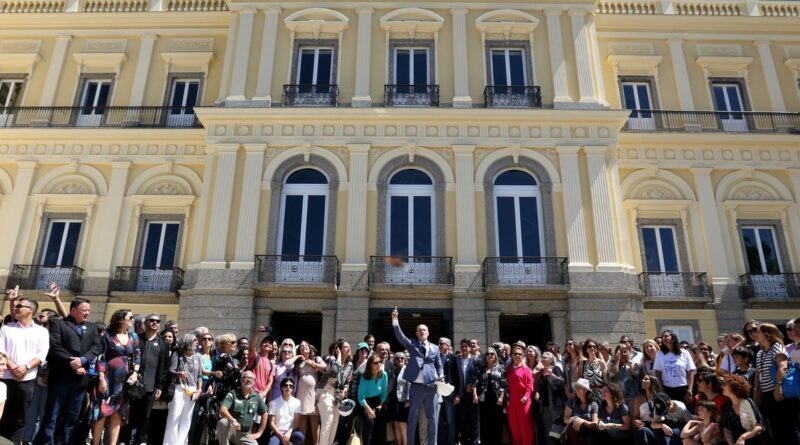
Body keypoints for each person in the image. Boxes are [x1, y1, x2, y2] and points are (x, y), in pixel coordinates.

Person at [34, 296, 99, 445]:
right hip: (60, 378)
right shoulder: (59, 324)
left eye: (89, 310)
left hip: (79, 381)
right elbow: (55, 347)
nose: (87, 313)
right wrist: (72, 362)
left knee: (72, 416)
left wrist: (83, 361)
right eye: (84, 310)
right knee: (52, 414)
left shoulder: (92, 327)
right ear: (74, 310)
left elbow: (95, 348)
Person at [0, 292, 50, 444]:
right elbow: (1, 350)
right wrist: (13, 366)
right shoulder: (7, 329)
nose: (16, 308)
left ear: (30, 310)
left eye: (20, 306)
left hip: (27, 380)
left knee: (19, 418)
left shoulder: (41, 331)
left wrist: (26, 367)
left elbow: (42, 353)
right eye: (15, 306)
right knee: (2, 415)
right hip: (5, 378)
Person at [391, 306, 442, 445]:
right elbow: (400, 336)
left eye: (424, 329)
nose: (421, 331)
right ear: (416, 333)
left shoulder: (435, 348)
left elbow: (439, 365)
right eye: (419, 330)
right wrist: (395, 320)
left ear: (428, 332)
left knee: (432, 419)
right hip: (416, 388)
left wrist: (441, 376)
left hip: (431, 387)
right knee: (412, 418)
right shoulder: (412, 344)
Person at [91, 309, 140, 445]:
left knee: (118, 413)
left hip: (124, 381)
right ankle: (95, 442)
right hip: (108, 378)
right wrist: (101, 377)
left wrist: (135, 373)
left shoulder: (133, 337)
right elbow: (102, 357)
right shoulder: (108, 335)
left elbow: (137, 356)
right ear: (121, 319)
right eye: (130, 317)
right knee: (103, 411)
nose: (132, 319)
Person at [124, 313, 169, 445]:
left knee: (146, 417)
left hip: (150, 387)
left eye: (158, 321)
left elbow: (164, 367)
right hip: (134, 385)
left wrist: (160, 387)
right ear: (145, 323)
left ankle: (141, 441)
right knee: (130, 415)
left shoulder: (163, 344)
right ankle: (126, 440)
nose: (155, 323)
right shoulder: (137, 339)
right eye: (152, 320)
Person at [753, 322, 798, 444]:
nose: (755, 334)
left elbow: (782, 366)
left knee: (786, 429)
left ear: (767, 334)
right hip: (767, 395)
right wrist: (757, 391)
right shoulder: (760, 353)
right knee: (774, 429)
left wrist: (778, 386)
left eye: (758, 331)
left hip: (779, 393)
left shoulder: (777, 347)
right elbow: (759, 373)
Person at [164, 334, 202, 445]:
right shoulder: (177, 354)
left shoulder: (197, 357)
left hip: (193, 390)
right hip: (179, 388)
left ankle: (181, 443)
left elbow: (199, 375)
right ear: (188, 341)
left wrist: (199, 389)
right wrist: (178, 374)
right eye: (194, 340)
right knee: (174, 416)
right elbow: (170, 371)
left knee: (187, 418)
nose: (197, 343)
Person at [217, 371, 269, 445]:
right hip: (231, 430)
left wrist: (259, 432)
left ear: (254, 382)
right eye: (245, 377)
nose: (248, 380)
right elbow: (222, 409)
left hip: (245, 434)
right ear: (241, 380)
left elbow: (265, 413)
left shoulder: (256, 397)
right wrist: (233, 421)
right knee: (222, 423)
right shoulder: (233, 393)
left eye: (251, 378)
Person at [318, 339, 352, 445]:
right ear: (339, 349)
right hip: (326, 392)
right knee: (327, 424)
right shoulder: (332, 359)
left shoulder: (350, 365)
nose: (349, 348)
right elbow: (334, 372)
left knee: (334, 425)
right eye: (345, 347)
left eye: (349, 346)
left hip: (337, 397)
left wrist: (345, 390)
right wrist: (338, 356)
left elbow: (347, 382)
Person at [719, 374, 765, 445]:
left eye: (725, 385)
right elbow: (727, 430)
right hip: (736, 441)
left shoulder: (748, 402)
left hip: (753, 438)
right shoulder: (725, 408)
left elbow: (759, 426)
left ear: (733, 386)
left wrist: (743, 437)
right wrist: (731, 443)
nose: (722, 387)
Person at [654, 330, 695, 405]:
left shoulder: (684, 353)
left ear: (673, 338)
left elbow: (690, 373)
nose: (663, 338)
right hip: (667, 390)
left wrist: (689, 391)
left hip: (683, 389)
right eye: (663, 337)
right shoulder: (659, 354)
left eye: (666, 336)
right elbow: (658, 373)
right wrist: (662, 390)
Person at [507, 342, 535, 445]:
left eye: (519, 354)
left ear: (523, 356)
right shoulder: (508, 369)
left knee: (525, 427)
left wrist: (526, 396)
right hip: (511, 400)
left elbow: (530, 385)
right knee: (514, 427)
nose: (517, 355)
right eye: (515, 353)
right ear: (511, 355)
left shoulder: (526, 369)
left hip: (523, 399)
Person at [478, 347, 507, 445]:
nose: (490, 355)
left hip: (497, 399)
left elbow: (504, 384)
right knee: (485, 424)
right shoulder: (482, 369)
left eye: (492, 354)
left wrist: (502, 396)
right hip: (484, 400)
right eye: (487, 354)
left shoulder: (501, 368)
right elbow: (476, 382)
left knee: (496, 425)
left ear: (495, 356)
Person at [358, 353, 388, 445]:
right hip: (366, 403)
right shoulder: (364, 377)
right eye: (376, 363)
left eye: (380, 362)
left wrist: (381, 404)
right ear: (370, 365)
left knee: (380, 428)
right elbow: (360, 397)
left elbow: (384, 392)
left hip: (378, 402)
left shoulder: (384, 375)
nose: (379, 364)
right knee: (369, 424)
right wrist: (369, 409)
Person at [536, 351, 566, 444]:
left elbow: (563, 382)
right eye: (542, 357)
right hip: (544, 405)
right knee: (547, 430)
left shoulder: (556, 369)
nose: (542, 359)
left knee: (556, 431)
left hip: (556, 405)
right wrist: (537, 392)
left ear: (551, 359)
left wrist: (553, 376)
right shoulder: (540, 372)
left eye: (545, 357)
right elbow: (539, 386)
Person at [437, 337, 461, 445]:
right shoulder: (435, 358)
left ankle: (451, 442)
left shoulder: (454, 358)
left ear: (448, 346)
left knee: (450, 421)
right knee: (439, 421)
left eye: (442, 343)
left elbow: (459, 377)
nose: (440, 345)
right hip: (437, 393)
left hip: (450, 394)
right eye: (439, 343)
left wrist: (458, 395)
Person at [266, 377, 304, 445]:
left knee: (300, 436)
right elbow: (271, 423)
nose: (288, 387)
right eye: (285, 385)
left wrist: (288, 433)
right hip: (277, 433)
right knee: (272, 443)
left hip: (291, 432)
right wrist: (281, 437)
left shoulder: (297, 402)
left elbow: (297, 422)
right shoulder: (273, 403)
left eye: (291, 386)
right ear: (281, 387)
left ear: (293, 388)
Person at [456, 338, 480, 445]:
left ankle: (474, 442)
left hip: (472, 395)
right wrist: (457, 394)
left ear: (470, 348)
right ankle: (464, 442)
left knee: (473, 421)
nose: (464, 348)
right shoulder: (456, 360)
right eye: (462, 346)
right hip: (461, 396)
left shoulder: (476, 360)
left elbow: (479, 376)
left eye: (466, 346)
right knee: (463, 421)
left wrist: (473, 387)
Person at [564, 377, 599, 445]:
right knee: (573, 427)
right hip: (575, 432)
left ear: (585, 391)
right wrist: (575, 419)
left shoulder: (593, 405)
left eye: (579, 387)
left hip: (588, 434)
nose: (576, 389)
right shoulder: (571, 401)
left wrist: (582, 421)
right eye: (576, 387)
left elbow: (594, 424)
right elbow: (565, 419)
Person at [609, 342, 642, 409]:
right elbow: (613, 373)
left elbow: (636, 374)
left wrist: (629, 360)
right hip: (619, 398)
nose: (623, 354)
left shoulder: (633, 364)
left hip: (632, 397)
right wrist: (617, 360)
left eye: (625, 351)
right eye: (620, 352)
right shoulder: (613, 364)